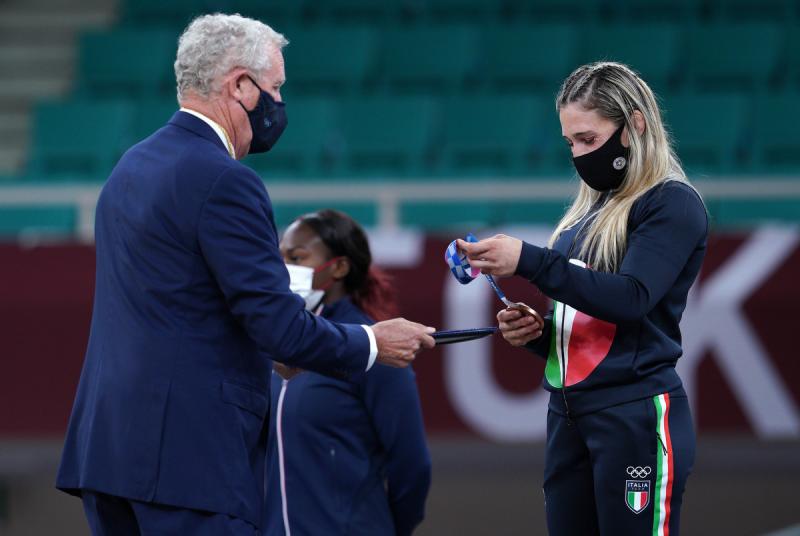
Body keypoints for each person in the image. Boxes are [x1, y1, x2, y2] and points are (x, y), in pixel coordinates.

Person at [55, 14, 435, 535]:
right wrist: (370, 343)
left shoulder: (129, 168)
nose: (279, 103)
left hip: (108, 454)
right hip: (188, 461)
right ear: (240, 84)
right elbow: (279, 325)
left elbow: (179, 307)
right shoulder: (226, 181)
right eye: (275, 88)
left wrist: (268, 351)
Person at [458, 62, 707, 535]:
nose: (577, 154)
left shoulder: (671, 203)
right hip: (570, 417)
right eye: (570, 142)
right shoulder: (586, 214)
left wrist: (530, 261)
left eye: (588, 139)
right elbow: (597, 328)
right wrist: (541, 334)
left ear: (634, 125)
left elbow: (633, 299)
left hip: (633, 418)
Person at [263, 209, 431, 536]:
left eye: (296, 257)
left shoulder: (376, 349)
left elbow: (411, 464)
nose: (283, 269)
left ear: (339, 266)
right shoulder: (269, 345)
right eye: (279, 257)